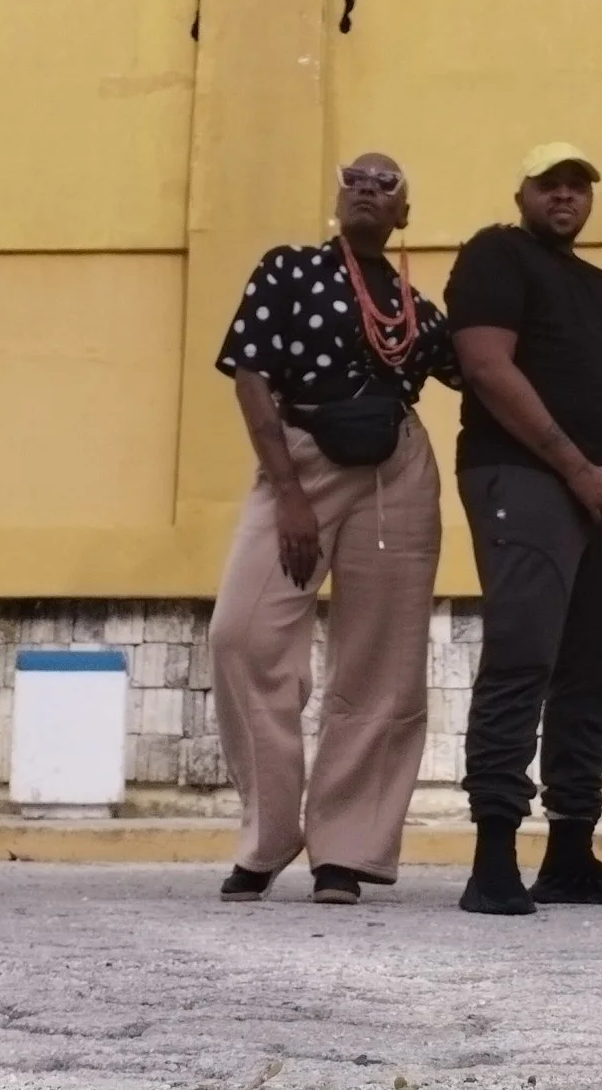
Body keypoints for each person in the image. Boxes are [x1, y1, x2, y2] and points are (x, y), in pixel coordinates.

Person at [207, 151, 458, 906]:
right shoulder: (288, 270)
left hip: (397, 471)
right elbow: (251, 374)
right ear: (336, 197)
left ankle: (346, 851)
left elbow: (478, 366)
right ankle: (270, 832)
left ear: (404, 214)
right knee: (242, 634)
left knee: (381, 660)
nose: (368, 191)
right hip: (302, 458)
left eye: (387, 185)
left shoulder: (417, 307)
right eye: (356, 180)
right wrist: (287, 493)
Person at [443, 142, 602, 915]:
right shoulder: (495, 257)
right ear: (523, 192)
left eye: (578, 187)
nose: (565, 197)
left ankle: (572, 851)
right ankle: (493, 855)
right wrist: (577, 469)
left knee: (601, 663)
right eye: (550, 185)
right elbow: (487, 367)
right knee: (523, 653)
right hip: (526, 477)